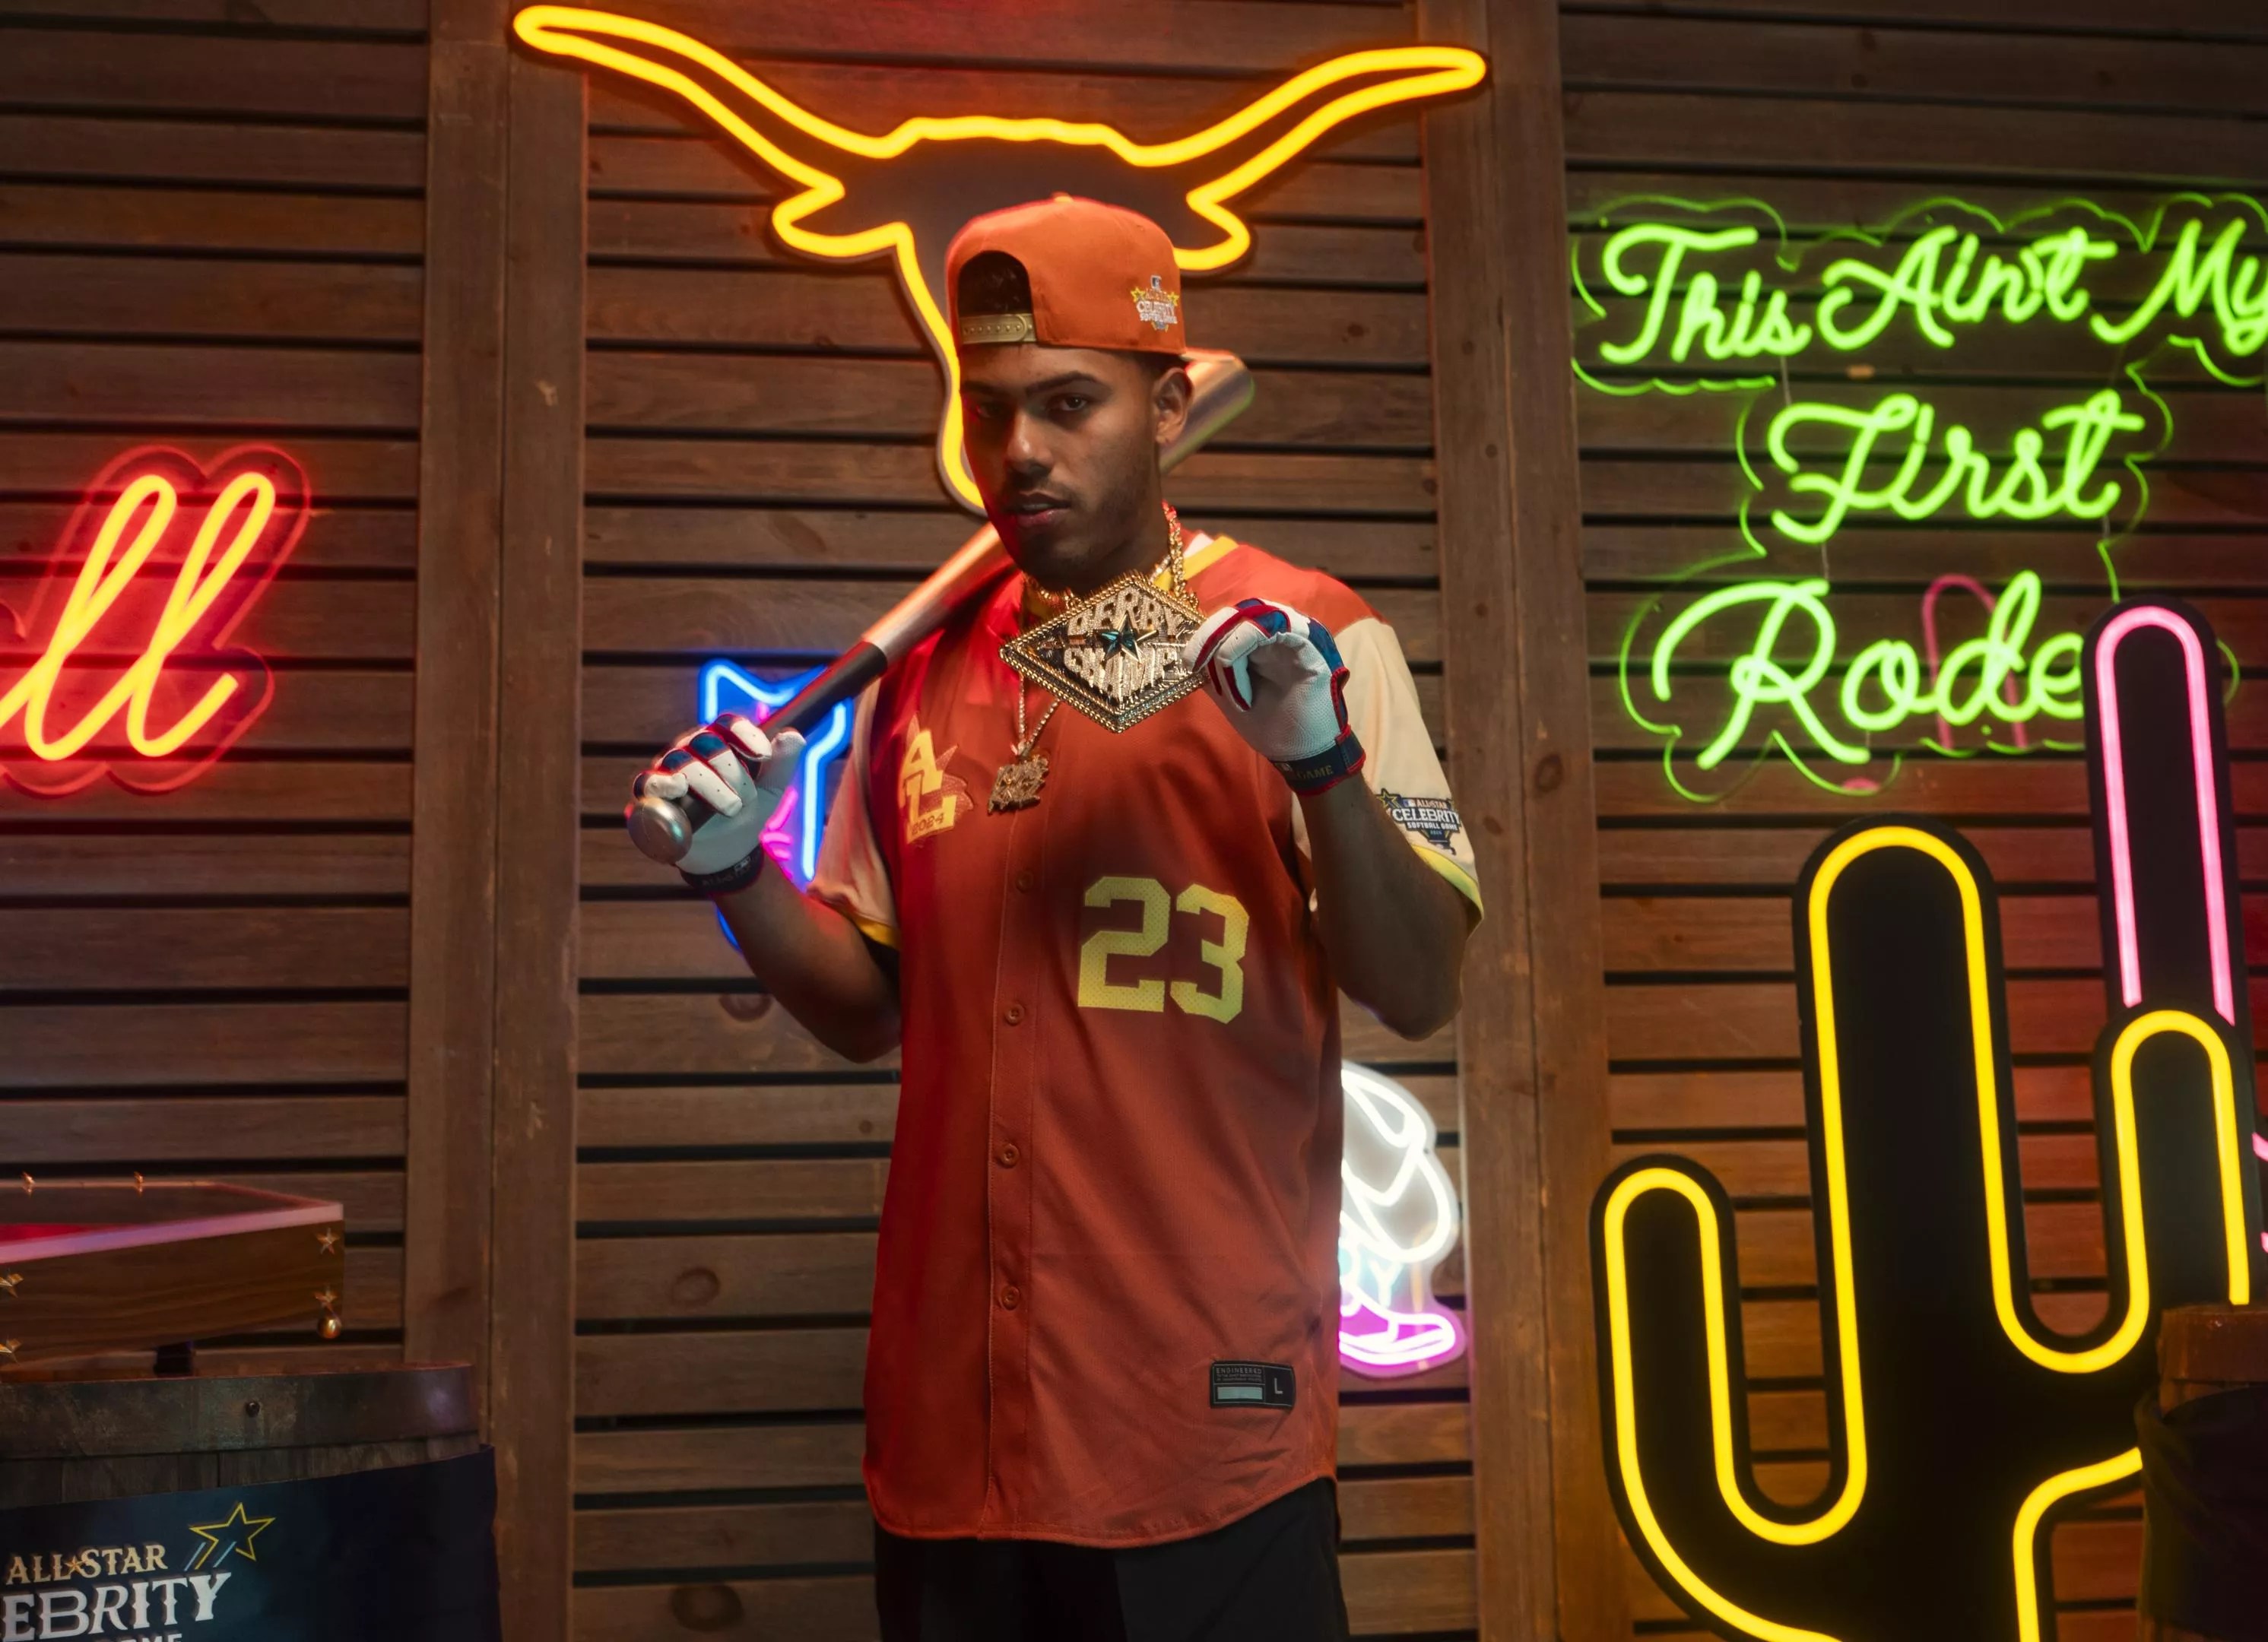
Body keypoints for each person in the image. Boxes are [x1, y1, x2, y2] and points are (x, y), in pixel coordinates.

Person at [632, 195, 1480, 1641]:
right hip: (953, 1431)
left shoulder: (1306, 638)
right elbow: (868, 1011)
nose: (1020, 449)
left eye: (1071, 403)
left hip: (1203, 1428)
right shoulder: (923, 678)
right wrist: (736, 875)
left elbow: (1419, 984)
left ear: (1168, 407)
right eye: (992, 408)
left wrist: (1321, 764)